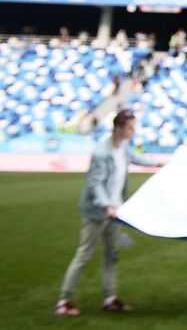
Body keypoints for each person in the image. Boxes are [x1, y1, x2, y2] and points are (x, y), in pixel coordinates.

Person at [54, 109, 139, 317]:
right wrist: (107, 205)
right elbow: (96, 182)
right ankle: (64, 301)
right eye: (130, 127)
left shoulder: (124, 147)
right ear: (118, 128)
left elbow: (137, 159)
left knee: (112, 254)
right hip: (98, 212)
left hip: (115, 211)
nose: (133, 131)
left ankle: (110, 298)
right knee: (85, 254)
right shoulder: (102, 151)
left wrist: (160, 163)